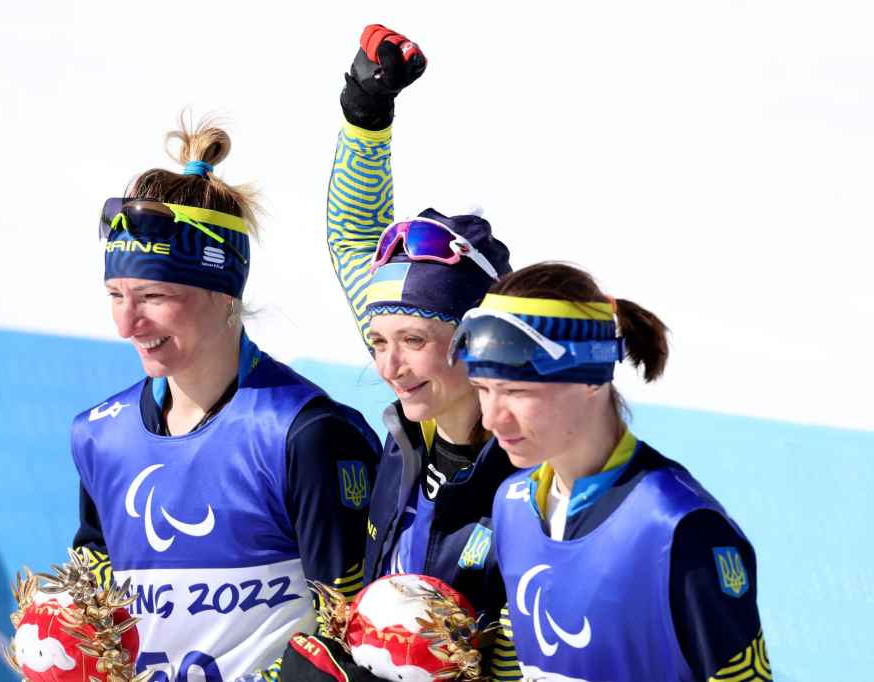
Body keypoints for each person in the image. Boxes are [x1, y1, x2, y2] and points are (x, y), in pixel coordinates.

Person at [69, 115, 382, 681]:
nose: (126, 323)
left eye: (153, 295)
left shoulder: (304, 433)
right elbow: (94, 599)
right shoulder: (99, 434)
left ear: (223, 292)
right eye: (115, 295)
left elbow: (358, 639)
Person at [279, 23, 521, 681]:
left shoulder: (534, 469)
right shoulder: (419, 403)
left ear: (479, 344)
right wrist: (365, 118)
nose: (388, 366)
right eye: (378, 342)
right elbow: (356, 242)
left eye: (412, 342)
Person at [449, 262, 770, 681]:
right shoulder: (512, 504)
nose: (492, 419)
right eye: (482, 389)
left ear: (591, 379)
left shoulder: (677, 527)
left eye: (516, 391)